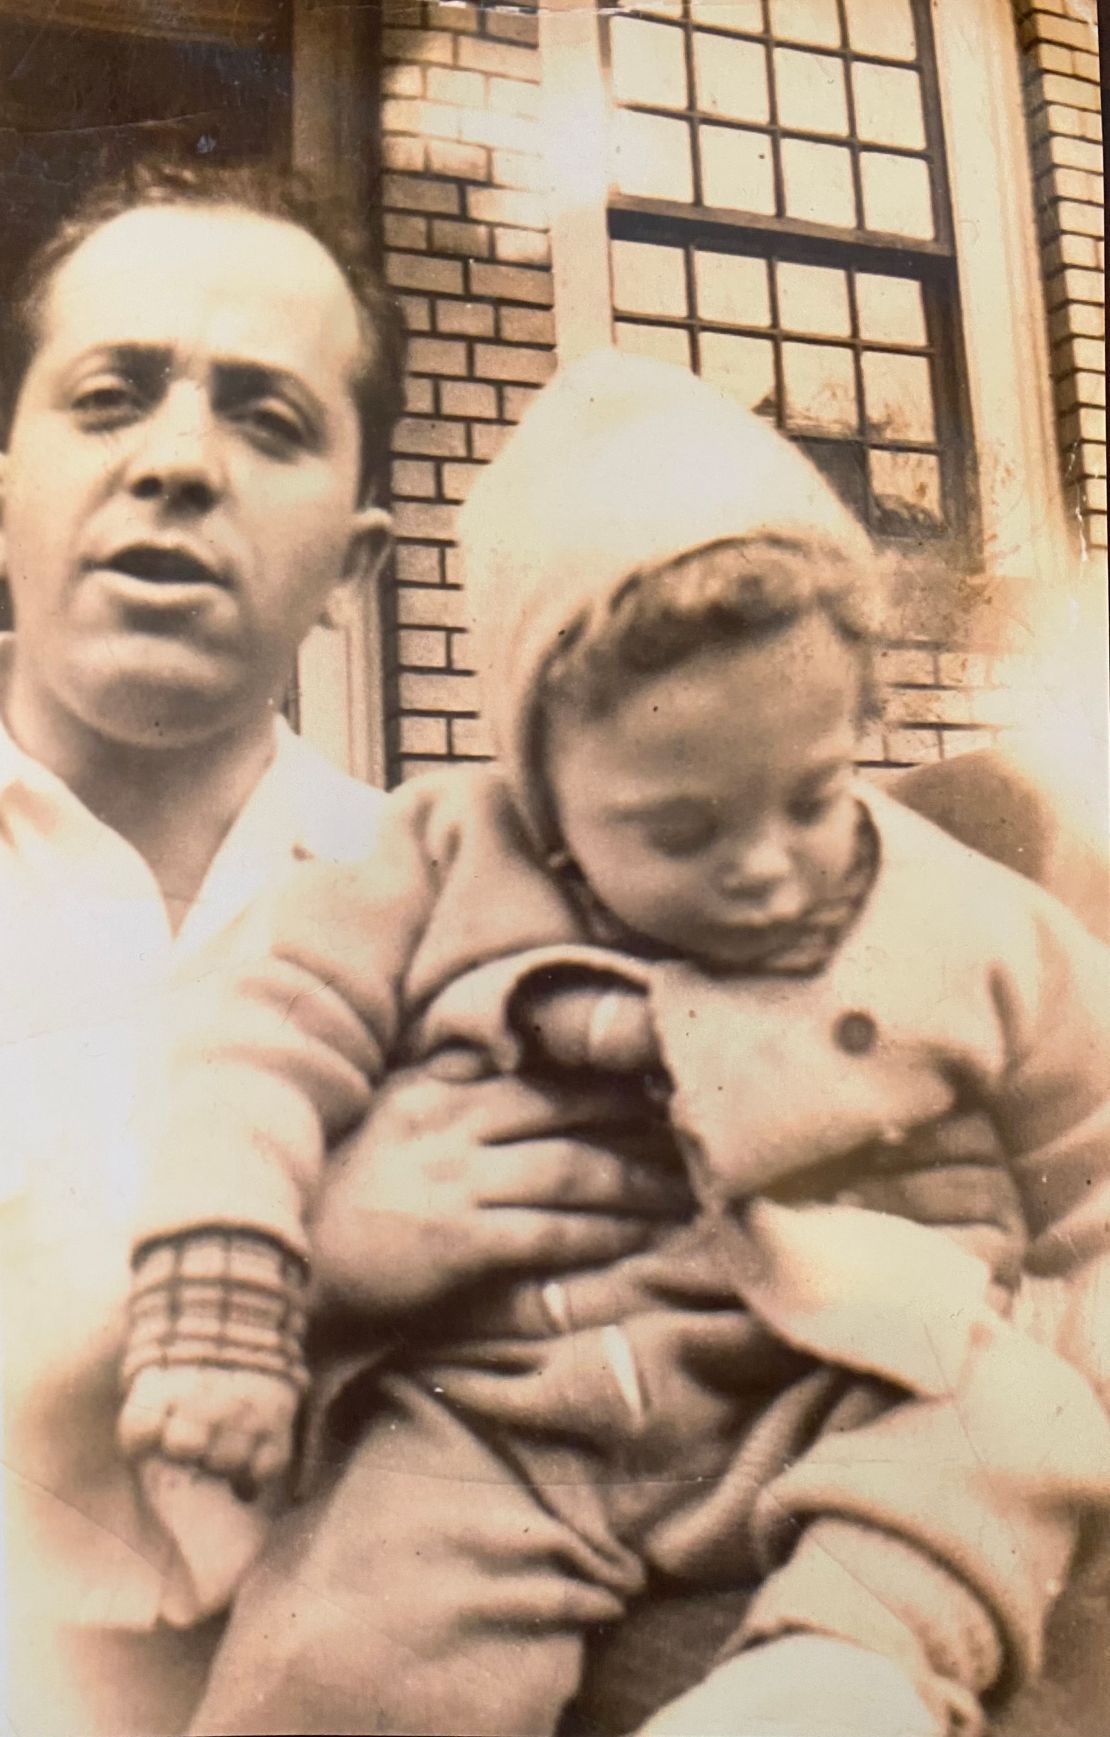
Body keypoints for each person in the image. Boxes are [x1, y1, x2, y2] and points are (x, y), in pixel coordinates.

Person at [126, 351, 1110, 1737]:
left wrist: (1074, 1321)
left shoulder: (971, 916)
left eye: (811, 795)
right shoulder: (430, 861)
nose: (768, 869)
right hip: (509, 1410)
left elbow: (1091, 1146)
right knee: (348, 1617)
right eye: (680, 828)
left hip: (850, 1382)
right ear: (540, 777)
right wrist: (223, 1287)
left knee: (1010, 1425)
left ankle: (836, 1671)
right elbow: (258, 1055)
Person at [0, 164, 678, 1737]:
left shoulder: (483, 938)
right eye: (111, 398)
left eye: (267, 418)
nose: (178, 464)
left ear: (356, 565)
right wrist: (315, 1257)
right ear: (9, 483)